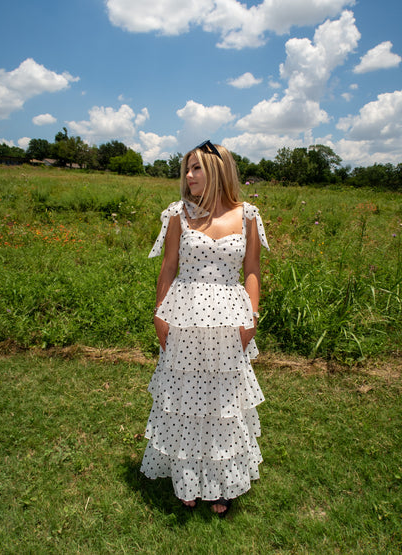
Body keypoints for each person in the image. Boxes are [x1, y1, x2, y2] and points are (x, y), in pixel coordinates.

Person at [140, 140, 270, 517]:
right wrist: (159, 312)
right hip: (185, 315)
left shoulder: (247, 215)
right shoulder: (178, 214)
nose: (189, 176)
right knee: (184, 398)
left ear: (217, 170)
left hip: (231, 317)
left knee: (223, 403)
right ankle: (186, 477)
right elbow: (168, 266)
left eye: (196, 168)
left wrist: (252, 317)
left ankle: (221, 482)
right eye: (187, 169)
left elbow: (252, 270)